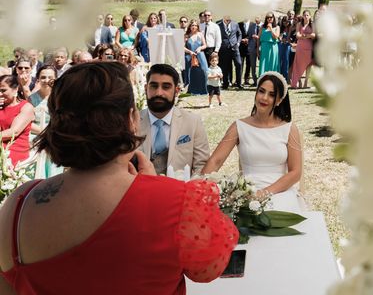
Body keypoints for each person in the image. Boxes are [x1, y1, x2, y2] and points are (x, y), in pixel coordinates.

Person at [0, 62, 238, 294]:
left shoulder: (17, 205)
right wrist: (156, 190)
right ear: (131, 119)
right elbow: (209, 267)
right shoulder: (177, 201)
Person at [202, 71, 304, 213]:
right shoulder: (238, 126)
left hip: (281, 192)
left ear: (279, 100)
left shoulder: (289, 129)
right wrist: (199, 189)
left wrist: (264, 193)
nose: (264, 97)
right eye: (261, 91)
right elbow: (216, 160)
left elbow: (296, 172)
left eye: (272, 94)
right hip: (247, 193)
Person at [138, 64, 211, 175]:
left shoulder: (192, 122)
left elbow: (201, 165)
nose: (159, 93)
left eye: (166, 87)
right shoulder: (131, 123)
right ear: (145, 88)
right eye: (154, 86)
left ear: (176, 91)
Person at [28, 65, 62, 179]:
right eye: (43, 77)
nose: (46, 80)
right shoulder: (31, 99)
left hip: (55, 135)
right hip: (37, 135)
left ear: (56, 79)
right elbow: (27, 122)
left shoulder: (60, 98)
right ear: (37, 79)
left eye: (50, 77)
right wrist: (44, 132)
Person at [0, 74, 35, 167]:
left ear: (15, 89)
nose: (0, 94)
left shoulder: (26, 107)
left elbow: (13, 132)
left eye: (3, 90)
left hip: (13, 150)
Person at [290, 10, 315, 89]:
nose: (306, 16)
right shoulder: (299, 24)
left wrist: (305, 36)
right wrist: (307, 36)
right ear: (303, 16)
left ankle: (306, 82)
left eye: (307, 15)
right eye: (305, 15)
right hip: (300, 47)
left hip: (309, 47)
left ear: (310, 16)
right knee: (298, 64)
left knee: (308, 65)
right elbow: (297, 35)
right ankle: (298, 82)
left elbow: (314, 35)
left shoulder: (313, 24)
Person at [184, 19, 208, 95]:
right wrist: (189, 51)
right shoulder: (186, 35)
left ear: (197, 26)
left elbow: (205, 45)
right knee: (191, 73)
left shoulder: (200, 34)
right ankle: (192, 90)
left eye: (195, 25)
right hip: (190, 56)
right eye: (192, 25)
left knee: (204, 71)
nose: (193, 27)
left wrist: (200, 48)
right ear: (190, 27)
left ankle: (204, 89)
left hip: (200, 55)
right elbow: (182, 47)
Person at [217, 16, 242, 89]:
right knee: (225, 67)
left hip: (235, 48)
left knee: (239, 64)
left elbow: (239, 34)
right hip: (224, 48)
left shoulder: (235, 23)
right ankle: (225, 84)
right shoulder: (218, 25)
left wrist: (238, 43)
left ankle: (239, 83)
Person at [244, 16, 261, 86]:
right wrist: (247, 40)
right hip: (252, 48)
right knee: (253, 65)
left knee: (261, 65)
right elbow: (249, 36)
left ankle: (261, 80)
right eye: (255, 17)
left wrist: (258, 37)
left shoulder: (263, 26)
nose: (256, 19)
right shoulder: (252, 26)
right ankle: (255, 81)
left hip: (262, 48)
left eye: (258, 17)